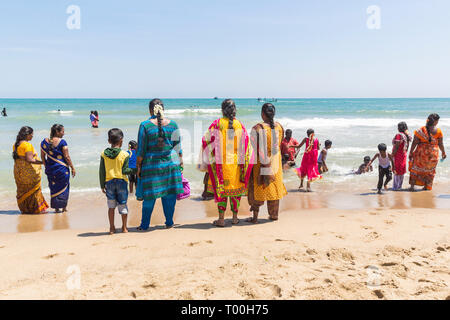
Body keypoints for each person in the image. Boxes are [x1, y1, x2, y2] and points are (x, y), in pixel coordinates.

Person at [201, 99, 253, 227]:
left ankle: (221, 219)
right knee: (235, 191)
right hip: (235, 164)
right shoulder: (239, 125)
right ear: (234, 110)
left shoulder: (217, 124)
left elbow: (205, 140)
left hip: (221, 164)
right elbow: (246, 146)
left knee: (222, 191)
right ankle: (235, 218)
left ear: (222, 110)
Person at [136, 99, 184, 231]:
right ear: (163, 109)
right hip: (171, 166)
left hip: (151, 166)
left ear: (150, 110)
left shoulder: (145, 125)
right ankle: (169, 222)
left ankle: (145, 225)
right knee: (169, 196)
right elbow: (178, 148)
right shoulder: (173, 125)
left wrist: (138, 166)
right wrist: (181, 164)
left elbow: (141, 150)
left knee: (149, 197)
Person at [247, 103, 287, 223]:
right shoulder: (280, 127)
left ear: (262, 114)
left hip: (261, 163)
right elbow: (279, 145)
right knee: (274, 187)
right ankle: (274, 215)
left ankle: (255, 218)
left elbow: (255, 148)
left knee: (258, 186)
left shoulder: (257, 128)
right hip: (275, 163)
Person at [99, 128, 135, 234]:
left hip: (109, 182)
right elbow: (125, 171)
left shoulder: (104, 154)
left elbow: (102, 171)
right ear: (121, 141)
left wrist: (102, 185)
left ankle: (112, 228)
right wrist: (136, 170)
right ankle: (124, 228)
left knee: (111, 206)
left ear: (109, 141)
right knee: (123, 204)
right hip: (121, 182)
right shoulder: (125, 154)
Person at [12, 126, 49, 214]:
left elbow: (21, 158)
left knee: (23, 189)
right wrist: (43, 162)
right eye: (32, 134)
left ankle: (25, 209)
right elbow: (30, 159)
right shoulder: (27, 145)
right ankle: (35, 209)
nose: (32, 136)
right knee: (33, 189)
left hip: (19, 171)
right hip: (28, 172)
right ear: (27, 135)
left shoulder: (16, 144)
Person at [40, 124, 76, 213]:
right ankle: (64, 208)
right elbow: (67, 156)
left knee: (54, 187)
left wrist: (47, 166)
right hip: (62, 169)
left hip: (51, 169)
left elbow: (42, 157)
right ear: (57, 132)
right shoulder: (62, 142)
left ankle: (56, 208)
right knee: (64, 187)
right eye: (62, 131)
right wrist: (72, 167)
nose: (64, 133)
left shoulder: (44, 142)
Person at [409, 113, 446, 191]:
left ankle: (412, 186)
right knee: (430, 171)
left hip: (421, 154)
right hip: (433, 155)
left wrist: (411, 152)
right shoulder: (439, 131)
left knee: (415, 168)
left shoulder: (420, 130)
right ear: (435, 121)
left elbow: (414, 142)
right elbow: (441, 144)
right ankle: (427, 187)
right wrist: (443, 152)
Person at [392, 122, 412, 191]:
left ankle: (395, 187)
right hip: (403, 154)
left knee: (396, 170)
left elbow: (397, 146)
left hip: (398, 155)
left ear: (399, 128)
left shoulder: (399, 135)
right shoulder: (406, 136)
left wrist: (392, 154)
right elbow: (407, 146)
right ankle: (399, 186)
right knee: (401, 170)